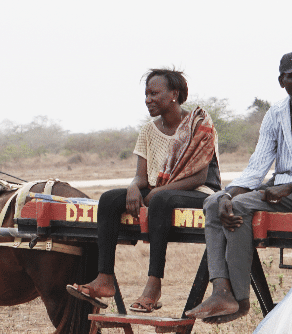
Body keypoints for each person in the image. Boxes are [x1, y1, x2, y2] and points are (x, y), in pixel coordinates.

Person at [185, 50, 292, 323]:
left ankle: (239, 300)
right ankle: (221, 289)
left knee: (239, 206)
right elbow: (257, 167)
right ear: (281, 81)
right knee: (214, 202)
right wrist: (227, 193)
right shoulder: (275, 114)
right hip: (279, 187)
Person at [68, 68, 221, 313]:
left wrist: (157, 193)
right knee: (108, 199)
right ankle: (104, 278)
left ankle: (153, 285)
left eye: (154, 93)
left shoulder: (199, 125)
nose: (148, 99)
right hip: (160, 192)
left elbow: (199, 176)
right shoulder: (148, 131)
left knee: (160, 200)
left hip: (199, 191)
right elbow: (141, 177)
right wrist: (132, 188)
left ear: (174, 94)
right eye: (146, 94)